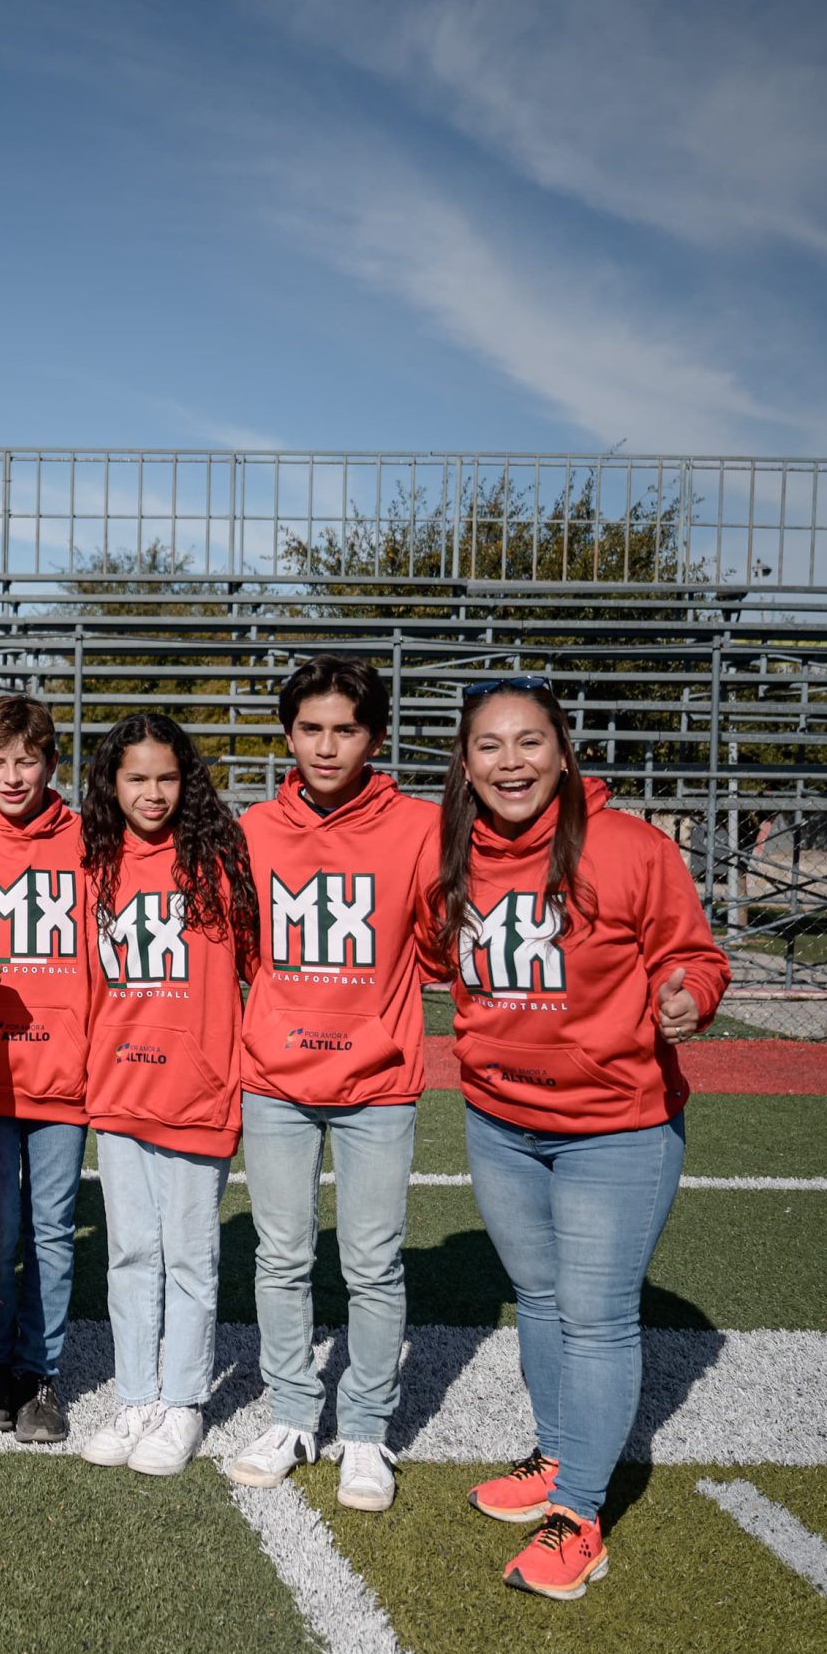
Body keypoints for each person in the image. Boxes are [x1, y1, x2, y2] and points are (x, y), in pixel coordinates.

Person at [428, 676, 727, 1601]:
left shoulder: (630, 846)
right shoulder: (450, 853)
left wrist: (689, 996)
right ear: (466, 762)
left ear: (562, 751)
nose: (510, 762)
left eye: (528, 742)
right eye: (490, 746)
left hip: (615, 1128)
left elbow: (696, 955)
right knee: (540, 1300)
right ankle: (556, 1461)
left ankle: (581, 1516)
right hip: (498, 1118)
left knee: (596, 1319)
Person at [225, 656, 439, 1512]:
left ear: (375, 736)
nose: (326, 744)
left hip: (378, 1082)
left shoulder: (419, 825)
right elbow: (240, 946)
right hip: (276, 1076)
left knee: (373, 1263)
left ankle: (367, 1431)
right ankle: (290, 1414)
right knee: (280, 1258)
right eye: (310, 728)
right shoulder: (254, 827)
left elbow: (438, 941)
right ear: (288, 734)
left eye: (344, 729)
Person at [77, 713, 256, 1480]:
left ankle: (183, 1401)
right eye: (135, 778)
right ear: (110, 784)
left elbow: (259, 968)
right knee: (129, 1254)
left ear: (189, 781)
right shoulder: (92, 861)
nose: (152, 793)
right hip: (118, 1086)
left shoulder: (222, 859)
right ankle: (136, 1395)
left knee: (189, 1257)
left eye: (166, 777)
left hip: (195, 1090)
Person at [0, 696, 86, 1446]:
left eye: (27, 760)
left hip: (64, 1070)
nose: (12, 775)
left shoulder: (87, 840)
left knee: (53, 1231)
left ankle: (41, 1373)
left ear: (51, 764)